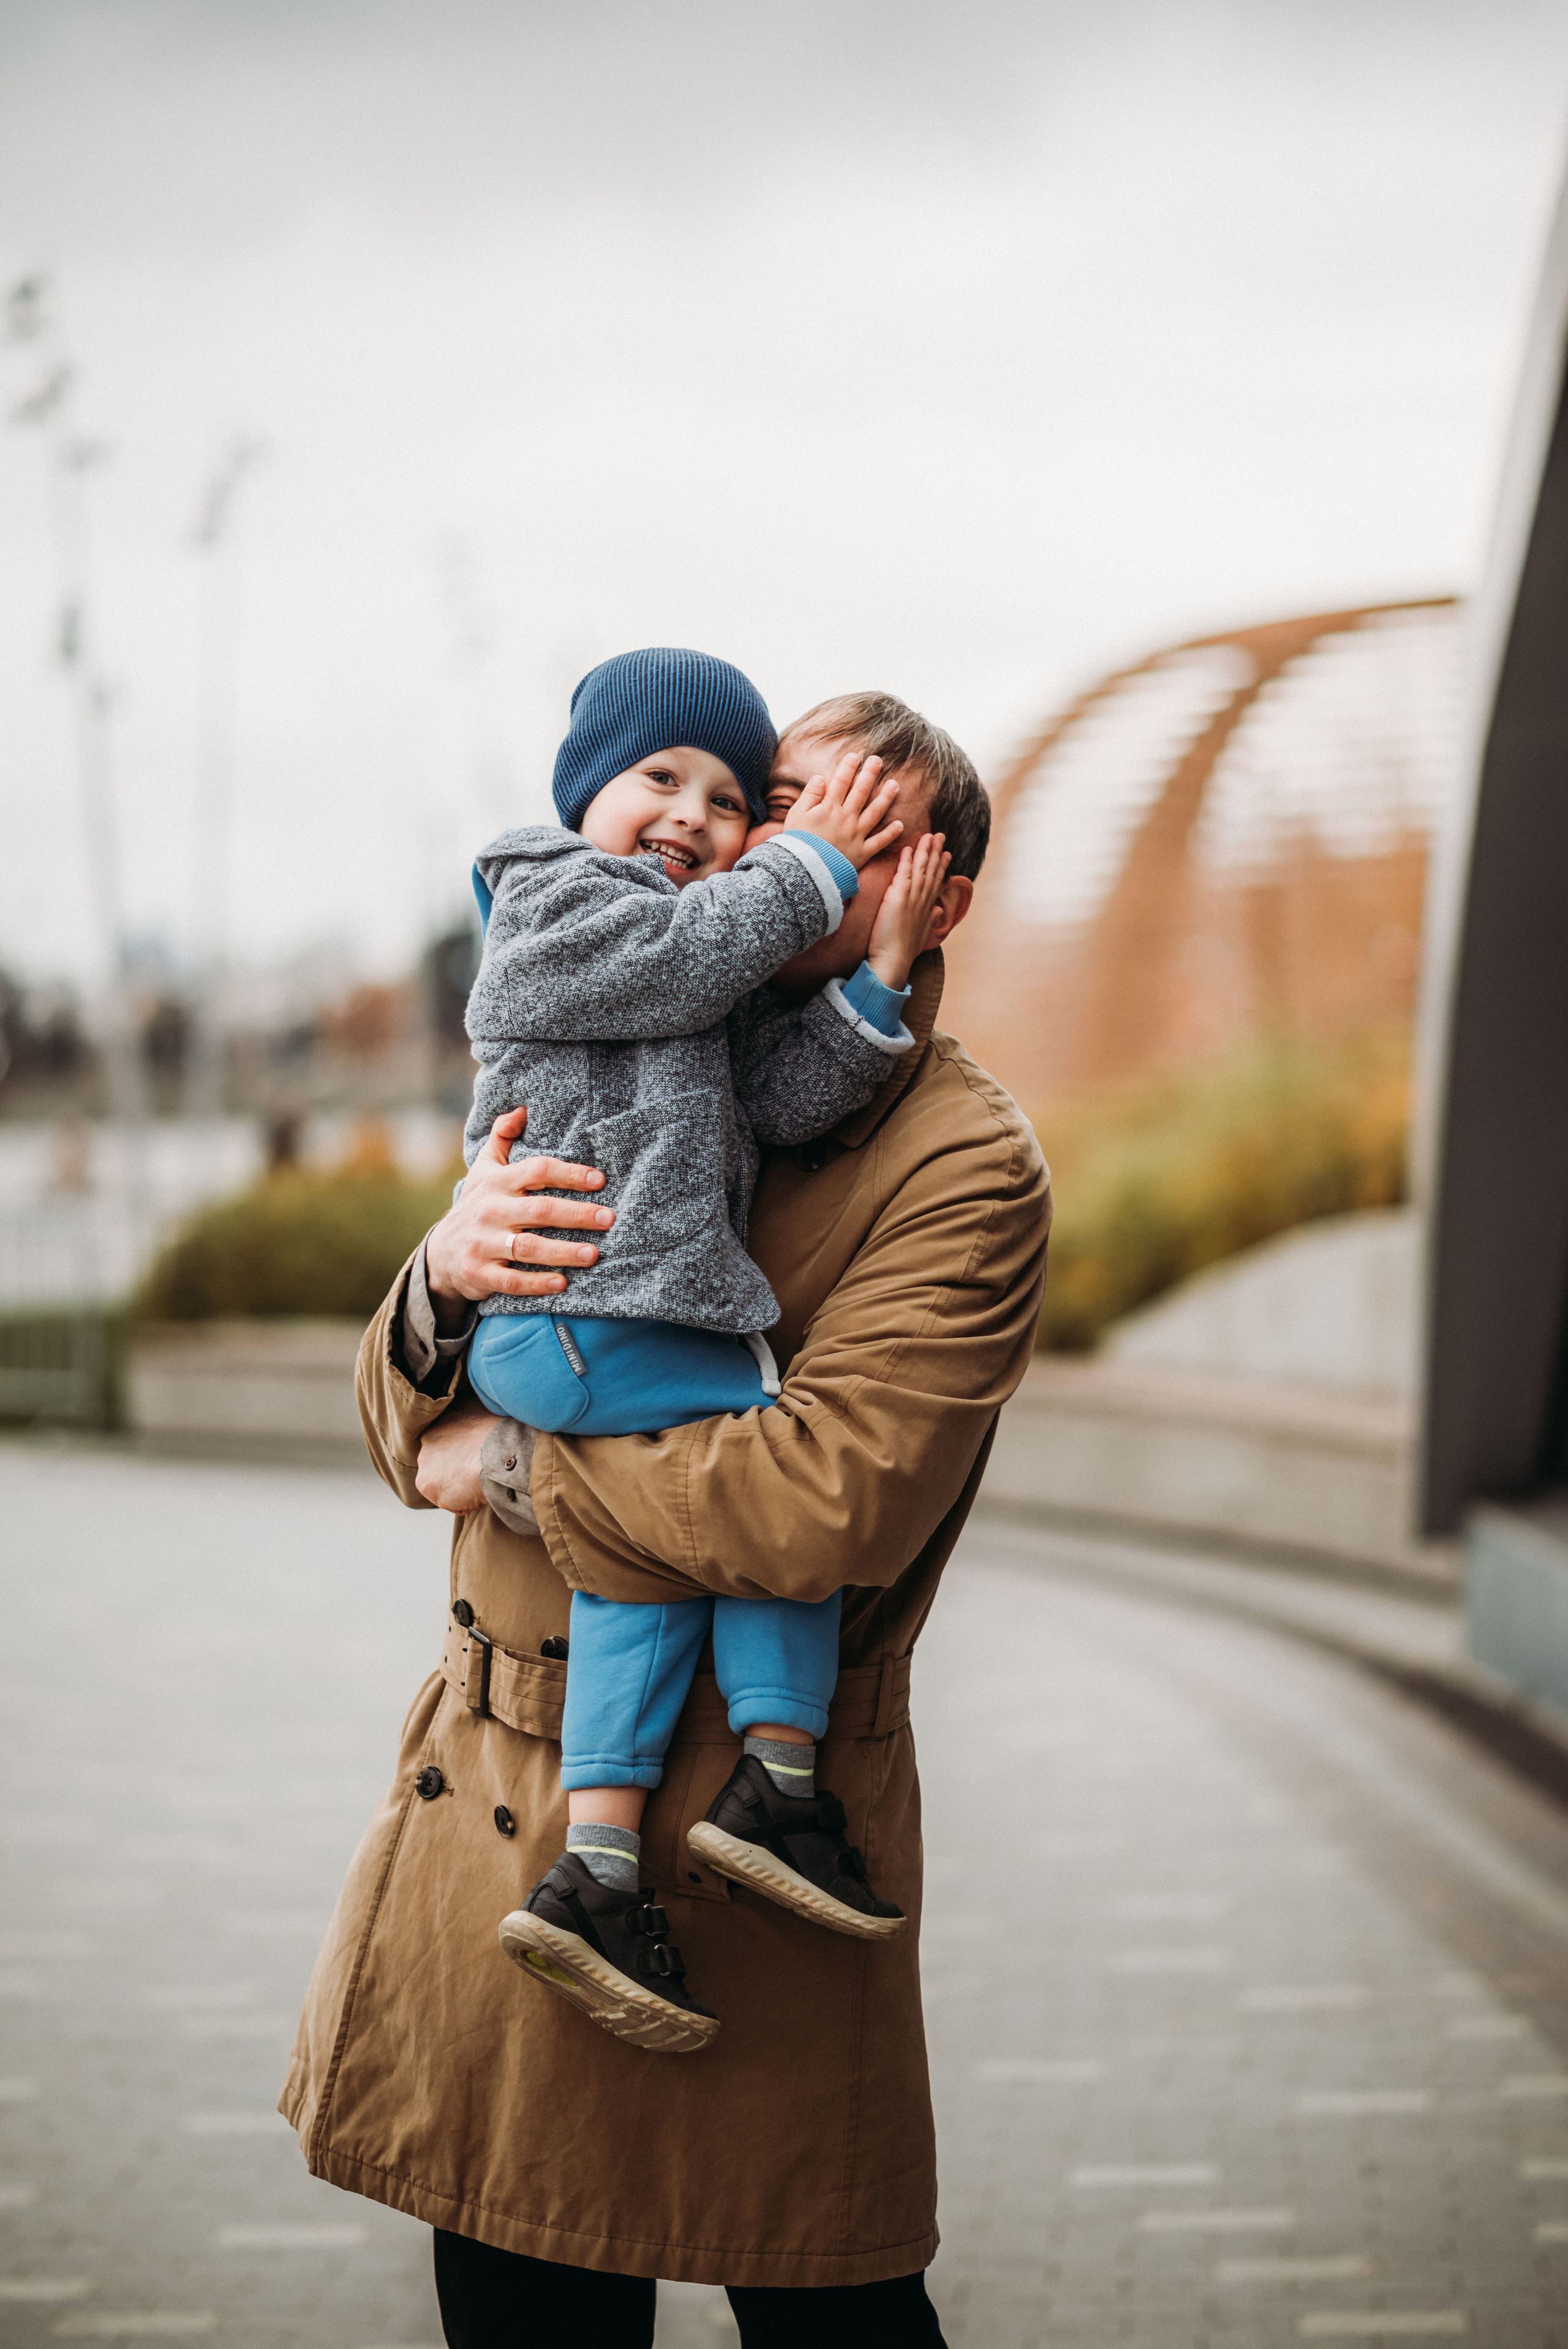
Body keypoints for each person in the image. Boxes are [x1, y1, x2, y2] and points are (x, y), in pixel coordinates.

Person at [281, 690, 1052, 2349]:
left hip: (756, 1855)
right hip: (510, 1818)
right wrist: (441, 1272)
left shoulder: (964, 1165)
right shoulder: (634, 1017)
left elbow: (818, 1495)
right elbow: (393, 1403)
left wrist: (508, 1475)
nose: (788, 841)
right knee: (519, 2304)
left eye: (852, 820)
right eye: (783, 801)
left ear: (937, 891)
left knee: (833, 2320)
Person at [457, 647, 951, 2048]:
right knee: (758, 1460)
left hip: (593, 1333)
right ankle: (779, 1778)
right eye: (657, 779)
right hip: (579, 1318)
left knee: (650, 1566)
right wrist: (803, 866)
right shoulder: (551, 901)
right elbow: (686, 952)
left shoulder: (707, 958)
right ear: (580, 796)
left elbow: (784, 1099)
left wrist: (880, 982)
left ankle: (597, 1862)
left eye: (731, 799)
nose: (694, 814)